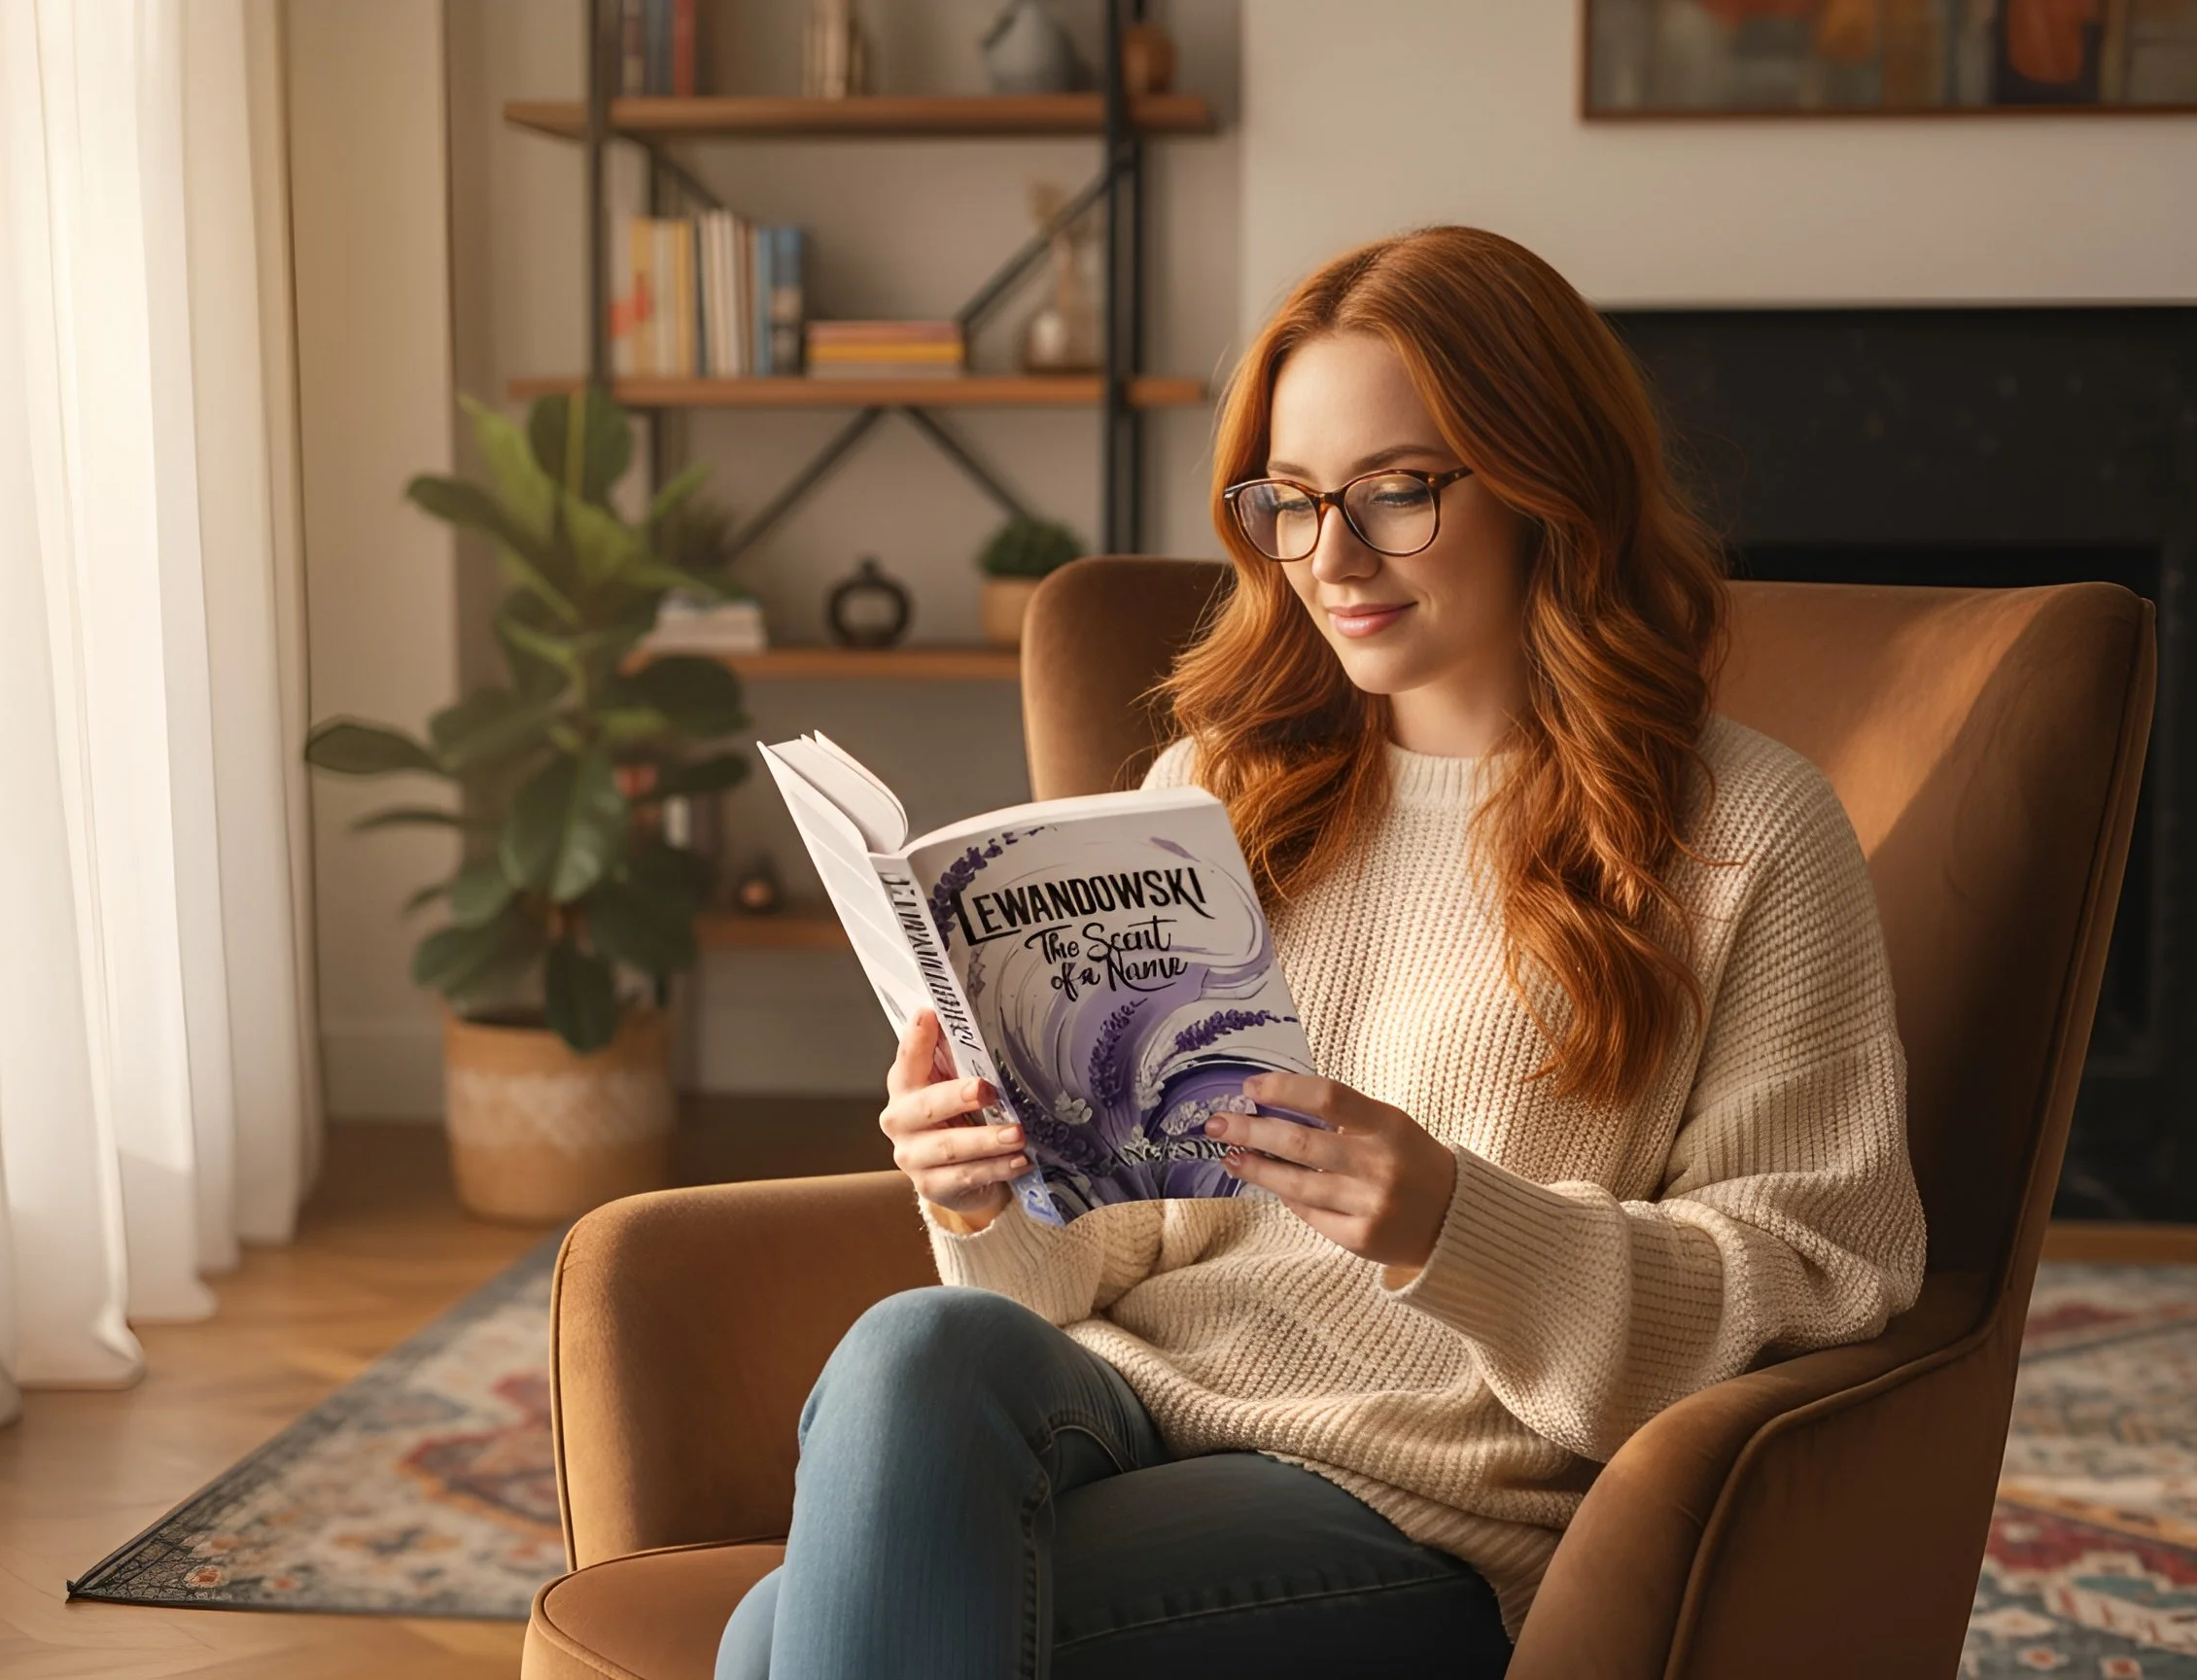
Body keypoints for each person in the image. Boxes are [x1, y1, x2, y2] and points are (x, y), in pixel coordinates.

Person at [714, 224, 1928, 1679]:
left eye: (1396, 494)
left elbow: (1821, 1275)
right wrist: (990, 1190)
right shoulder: (1211, 791)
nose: (1332, 558)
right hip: (1129, 1402)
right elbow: (1097, 1266)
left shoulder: (1741, 835)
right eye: (1289, 503)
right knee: (916, 1347)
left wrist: (1452, 1225)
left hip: (1427, 1507)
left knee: (781, 1631)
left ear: (1552, 484)